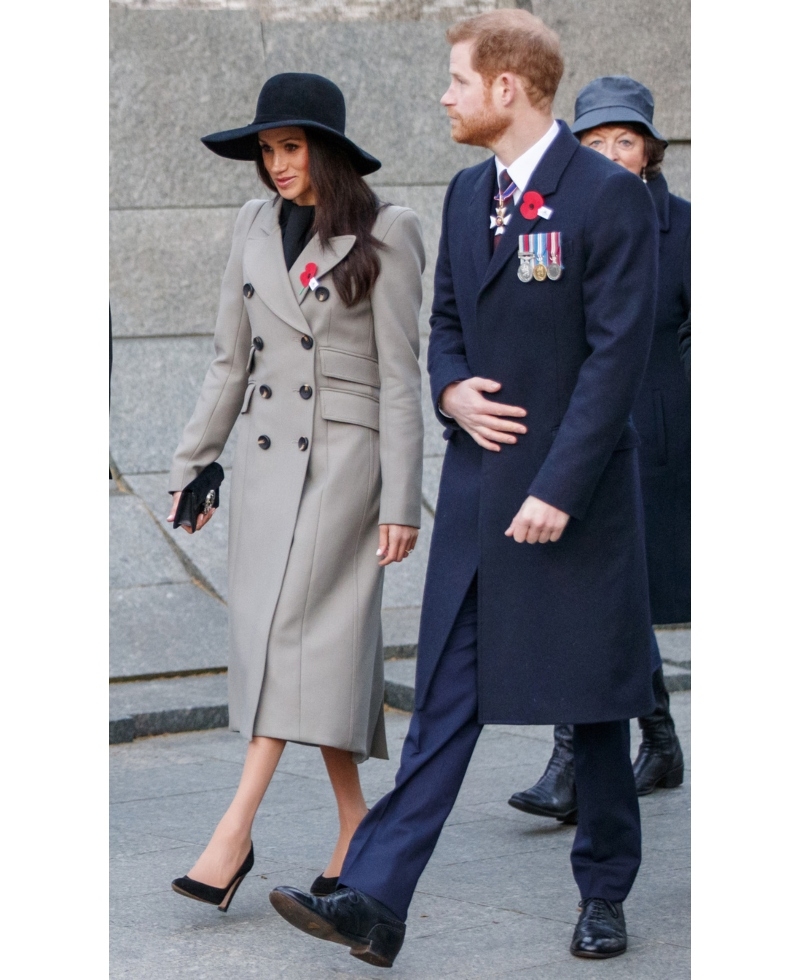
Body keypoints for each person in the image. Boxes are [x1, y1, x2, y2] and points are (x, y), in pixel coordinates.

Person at [269, 11, 659, 964]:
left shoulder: (609, 199)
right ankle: (377, 897)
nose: (444, 96)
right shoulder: (461, 193)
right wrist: (450, 387)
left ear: (508, 89)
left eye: (456, 80)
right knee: (446, 695)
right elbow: (445, 324)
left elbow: (618, 361)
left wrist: (561, 487)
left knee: (597, 702)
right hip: (484, 495)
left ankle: (604, 891)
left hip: (577, 504)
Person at [166, 72, 425, 912]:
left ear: (329, 150)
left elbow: (400, 379)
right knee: (300, 650)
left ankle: (231, 834)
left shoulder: (388, 230)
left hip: (347, 465)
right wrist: (196, 463)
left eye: (291, 147)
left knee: (287, 638)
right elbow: (228, 360)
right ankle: (356, 827)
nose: (276, 165)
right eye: (267, 150)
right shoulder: (251, 223)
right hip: (270, 463)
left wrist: (400, 502)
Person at [509, 76, 690, 824]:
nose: (613, 154)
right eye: (595, 142)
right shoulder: (554, 222)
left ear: (650, 150)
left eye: (626, 139)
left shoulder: (686, 228)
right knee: (596, 593)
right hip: (578, 438)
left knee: (619, 596)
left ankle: (580, 760)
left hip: (656, 440)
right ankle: (648, 738)